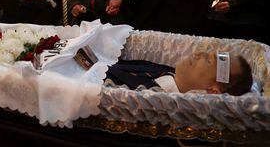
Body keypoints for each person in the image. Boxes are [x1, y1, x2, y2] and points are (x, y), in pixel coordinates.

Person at [107, 51, 253, 96]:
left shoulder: (148, 98)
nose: (198, 53)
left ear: (213, 90)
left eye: (208, 60)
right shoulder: (166, 71)